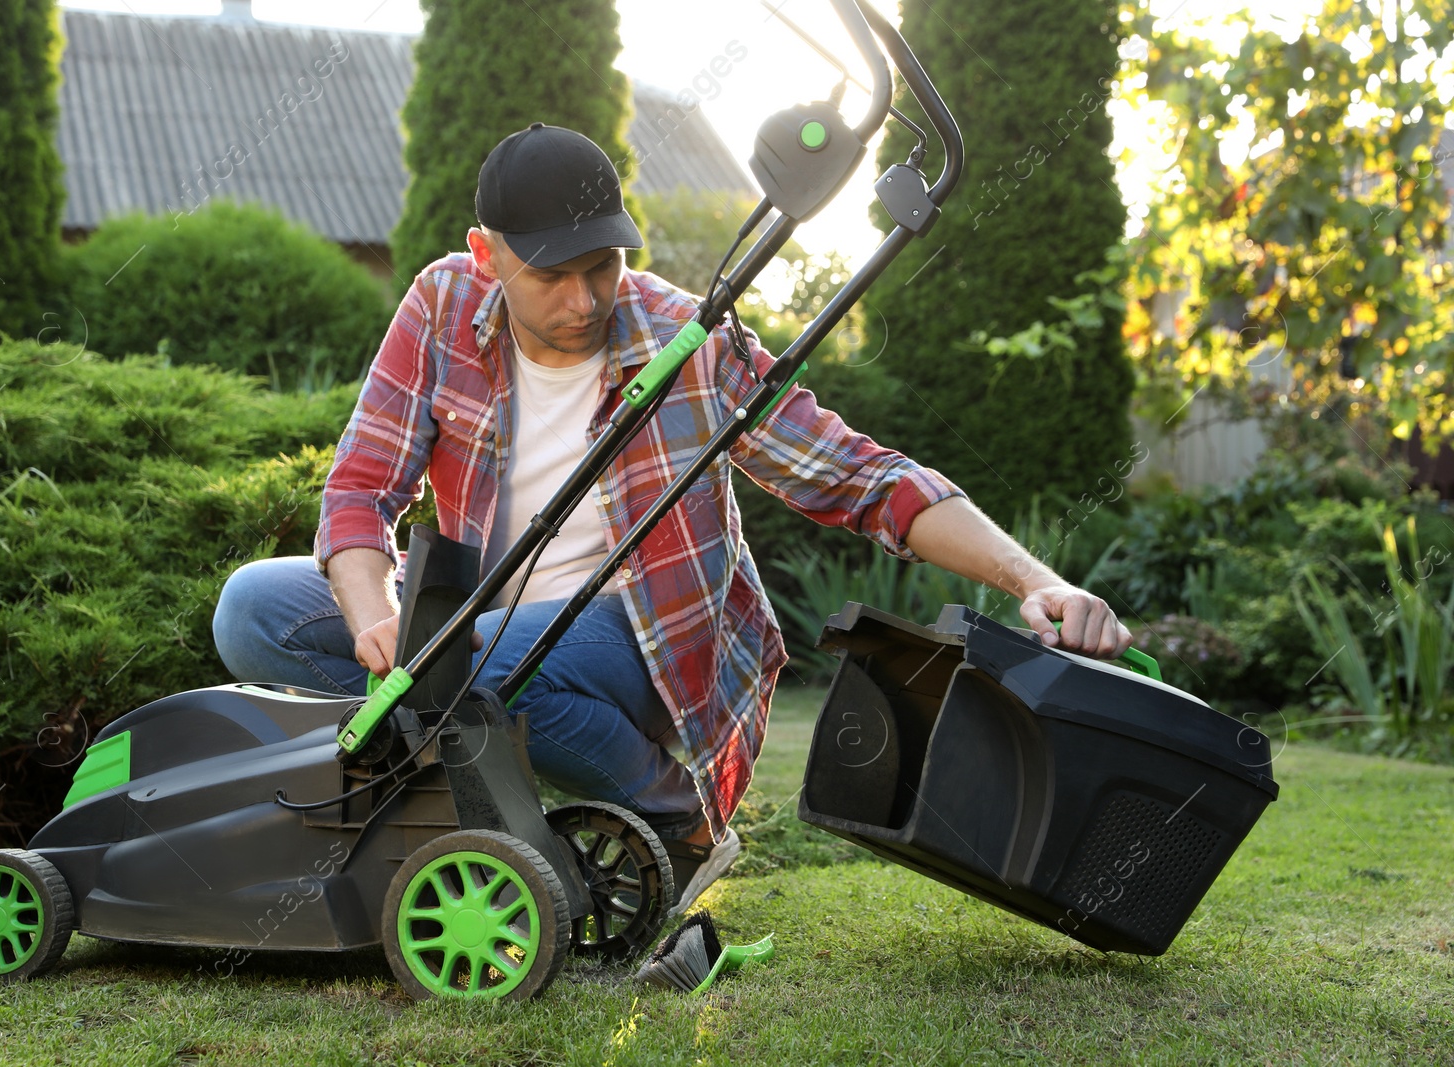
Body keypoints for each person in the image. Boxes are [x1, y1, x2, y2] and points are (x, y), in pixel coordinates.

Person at [213, 122, 1131, 916]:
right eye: (552, 275)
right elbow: (360, 490)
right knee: (254, 608)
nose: (585, 301)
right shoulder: (443, 304)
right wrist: (374, 613)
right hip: (476, 610)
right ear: (487, 255)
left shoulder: (685, 338)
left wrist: (1036, 580)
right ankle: (451, 802)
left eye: (602, 265)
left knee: (475, 652)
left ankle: (676, 812)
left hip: (648, 636)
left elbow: (859, 476)